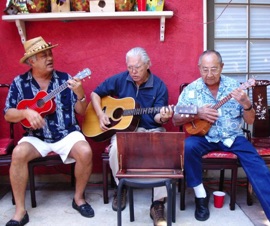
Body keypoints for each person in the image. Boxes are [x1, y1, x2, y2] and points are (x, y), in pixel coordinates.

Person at [172, 50, 270, 226]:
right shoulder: (191, 90)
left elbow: (250, 120)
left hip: (233, 137)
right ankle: (201, 196)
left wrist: (247, 104)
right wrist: (197, 113)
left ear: (222, 67)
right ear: (199, 68)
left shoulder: (235, 87)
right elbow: (175, 119)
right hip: (204, 136)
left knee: (255, 161)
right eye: (204, 69)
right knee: (187, 147)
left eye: (213, 69)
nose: (209, 74)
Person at [4, 36, 94, 226]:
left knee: (85, 151)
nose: (49, 58)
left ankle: (78, 199)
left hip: (66, 133)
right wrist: (26, 112)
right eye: (43, 55)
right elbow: (8, 114)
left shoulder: (65, 79)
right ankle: (20, 211)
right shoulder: (20, 83)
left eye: (50, 53)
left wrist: (80, 93)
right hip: (36, 137)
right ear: (31, 61)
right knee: (18, 154)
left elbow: (81, 111)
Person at [90, 47, 173, 226]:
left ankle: (158, 203)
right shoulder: (121, 79)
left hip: (152, 130)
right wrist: (100, 114)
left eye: (138, 67)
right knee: (115, 151)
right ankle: (121, 188)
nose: (133, 72)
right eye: (130, 67)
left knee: (163, 151)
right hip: (126, 131)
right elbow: (95, 94)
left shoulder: (159, 85)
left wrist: (164, 116)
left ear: (148, 64)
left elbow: (159, 117)